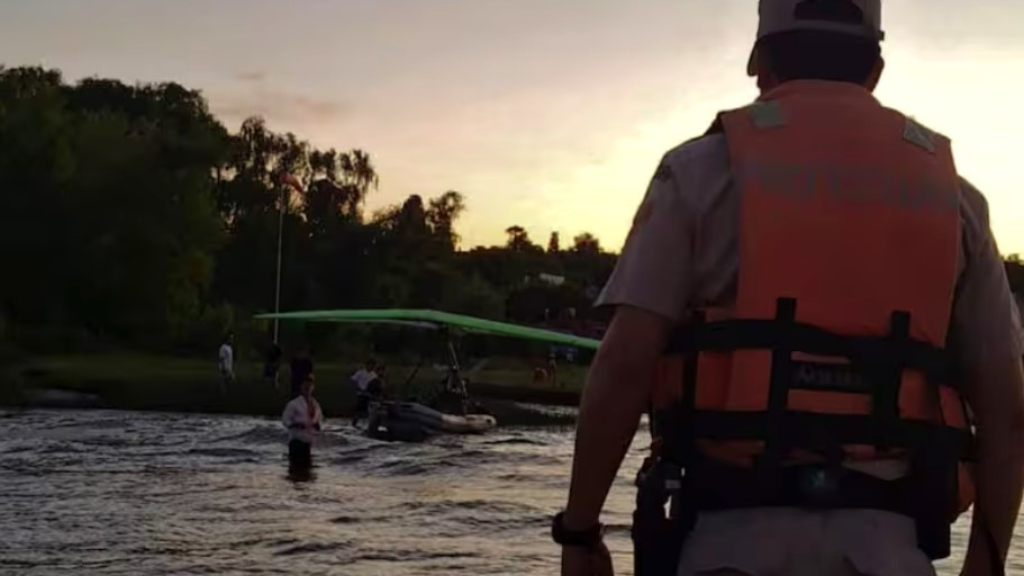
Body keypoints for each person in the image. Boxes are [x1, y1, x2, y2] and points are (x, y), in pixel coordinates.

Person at [554, 2, 1024, 576]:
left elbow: (626, 362)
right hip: (889, 551)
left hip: (723, 541)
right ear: (875, 71)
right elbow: (1007, 409)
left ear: (760, 64)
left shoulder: (698, 170)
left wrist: (578, 532)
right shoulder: (958, 199)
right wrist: (989, 561)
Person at [281, 374, 323, 470]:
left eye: (310, 386)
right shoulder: (293, 404)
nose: (308, 388)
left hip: (309, 441)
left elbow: (319, 419)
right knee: (295, 468)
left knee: (307, 469)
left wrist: (318, 426)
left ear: (313, 387)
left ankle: (304, 484)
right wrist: (294, 424)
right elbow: (285, 419)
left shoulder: (316, 405)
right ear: (301, 387)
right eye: (305, 386)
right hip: (296, 440)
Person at [350, 359, 378, 427]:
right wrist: (358, 388)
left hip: (369, 394)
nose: (372, 367)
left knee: (369, 410)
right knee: (358, 410)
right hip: (361, 393)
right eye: (370, 365)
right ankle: (354, 423)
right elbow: (353, 380)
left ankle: (369, 424)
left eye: (373, 366)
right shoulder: (360, 372)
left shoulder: (374, 375)